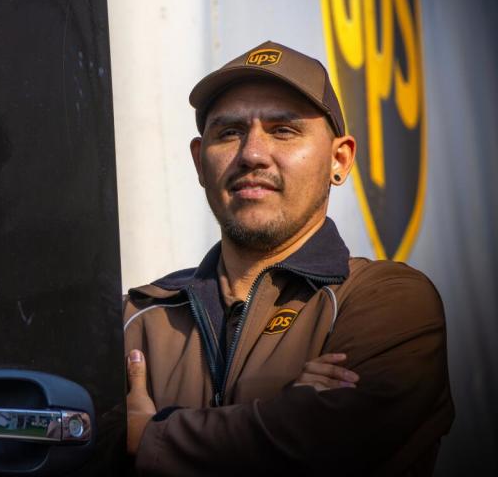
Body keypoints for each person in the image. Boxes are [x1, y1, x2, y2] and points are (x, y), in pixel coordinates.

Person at [122, 41, 454, 475]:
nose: (253, 154)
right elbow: (76, 445)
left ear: (340, 159)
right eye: (229, 132)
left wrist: (147, 438)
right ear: (200, 162)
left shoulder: (390, 300)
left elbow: (323, 440)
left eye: (283, 130)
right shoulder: (140, 314)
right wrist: (279, 411)